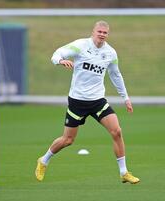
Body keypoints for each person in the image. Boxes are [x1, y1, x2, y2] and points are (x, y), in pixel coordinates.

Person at [35, 21, 140, 184]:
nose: (102, 34)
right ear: (93, 32)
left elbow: (115, 75)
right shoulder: (80, 45)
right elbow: (57, 53)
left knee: (117, 131)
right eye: (99, 31)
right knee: (68, 140)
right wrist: (60, 61)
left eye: (105, 33)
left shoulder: (110, 53)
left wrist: (125, 98)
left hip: (98, 101)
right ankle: (44, 160)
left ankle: (124, 172)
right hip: (77, 101)